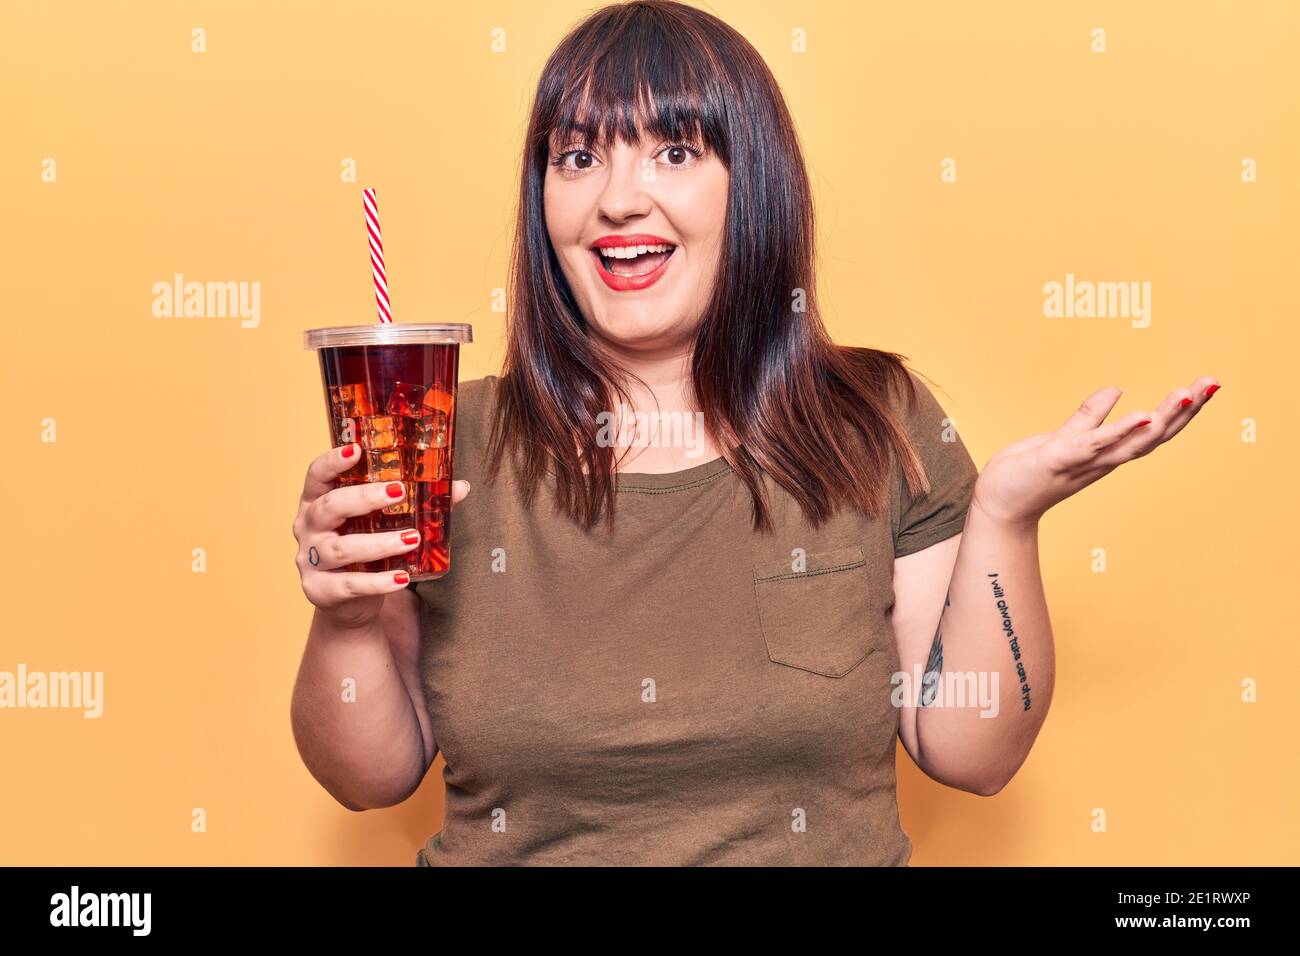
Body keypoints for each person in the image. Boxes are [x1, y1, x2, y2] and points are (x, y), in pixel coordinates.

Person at [289, 0, 1219, 866]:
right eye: (577, 158)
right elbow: (370, 780)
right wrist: (346, 617)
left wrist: (1007, 519)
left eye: (676, 153)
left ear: (755, 186)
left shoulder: (875, 420)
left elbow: (972, 754)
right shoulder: (435, 440)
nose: (618, 199)